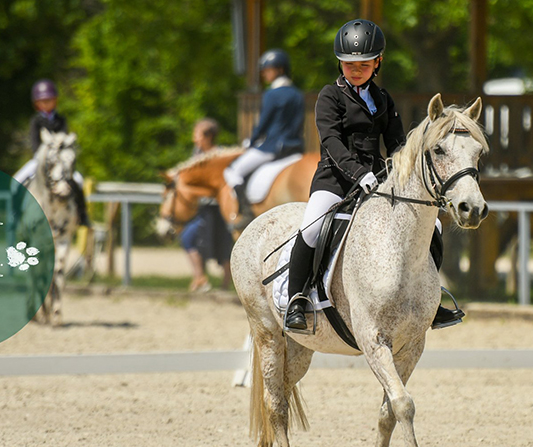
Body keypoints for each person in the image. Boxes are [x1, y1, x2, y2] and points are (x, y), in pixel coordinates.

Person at [283, 19, 464, 331]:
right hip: (335, 179)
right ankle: (296, 299)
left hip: (378, 182)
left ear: (377, 62)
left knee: (431, 223)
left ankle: (429, 300)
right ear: (340, 62)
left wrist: (398, 174)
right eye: (350, 64)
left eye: (364, 64)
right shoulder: (330, 96)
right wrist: (357, 173)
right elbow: (331, 142)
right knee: (312, 227)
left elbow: (396, 146)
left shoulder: (383, 99)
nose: (356, 70)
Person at [223, 49, 305, 224]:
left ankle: (245, 213)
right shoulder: (298, 95)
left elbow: (263, 124)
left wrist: (251, 142)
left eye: (268, 70)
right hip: (295, 147)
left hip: (272, 147)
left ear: (280, 70)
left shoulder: (272, 94)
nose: (265, 74)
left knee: (232, 171)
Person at [13, 79, 90, 226]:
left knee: (79, 180)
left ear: (55, 101)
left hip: (59, 161)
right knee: (16, 181)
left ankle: (82, 214)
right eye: (42, 101)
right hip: (40, 160)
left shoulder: (61, 120)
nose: (46, 103)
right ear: (36, 103)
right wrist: (43, 156)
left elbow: (64, 139)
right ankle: (15, 215)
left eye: (49, 100)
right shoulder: (35, 121)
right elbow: (35, 143)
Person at [181, 118, 233, 292]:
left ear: (208, 136)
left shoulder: (220, 156)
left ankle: (226, 283)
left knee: (224, 245)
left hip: (219, 209)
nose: (194, 139)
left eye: (197, 134)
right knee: (188, 237)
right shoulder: (196, 155)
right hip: (203, 209)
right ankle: (200, 277)